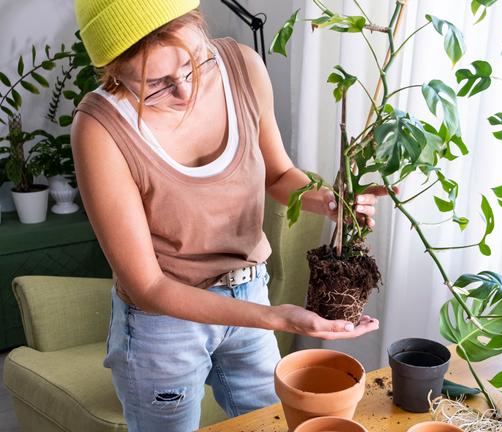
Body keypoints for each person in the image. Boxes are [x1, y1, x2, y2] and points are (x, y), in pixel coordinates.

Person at [70, 1, 385, 430]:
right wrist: (276, 317)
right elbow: (147, 286)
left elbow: (279, 174)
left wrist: (330, 200)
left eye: (193, 64)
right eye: (156, 85)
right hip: (164, 323)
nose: (184, 91)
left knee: (272, 424)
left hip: (249, 288)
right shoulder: (101, 128)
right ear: (113, 74)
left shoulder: (243, 67)